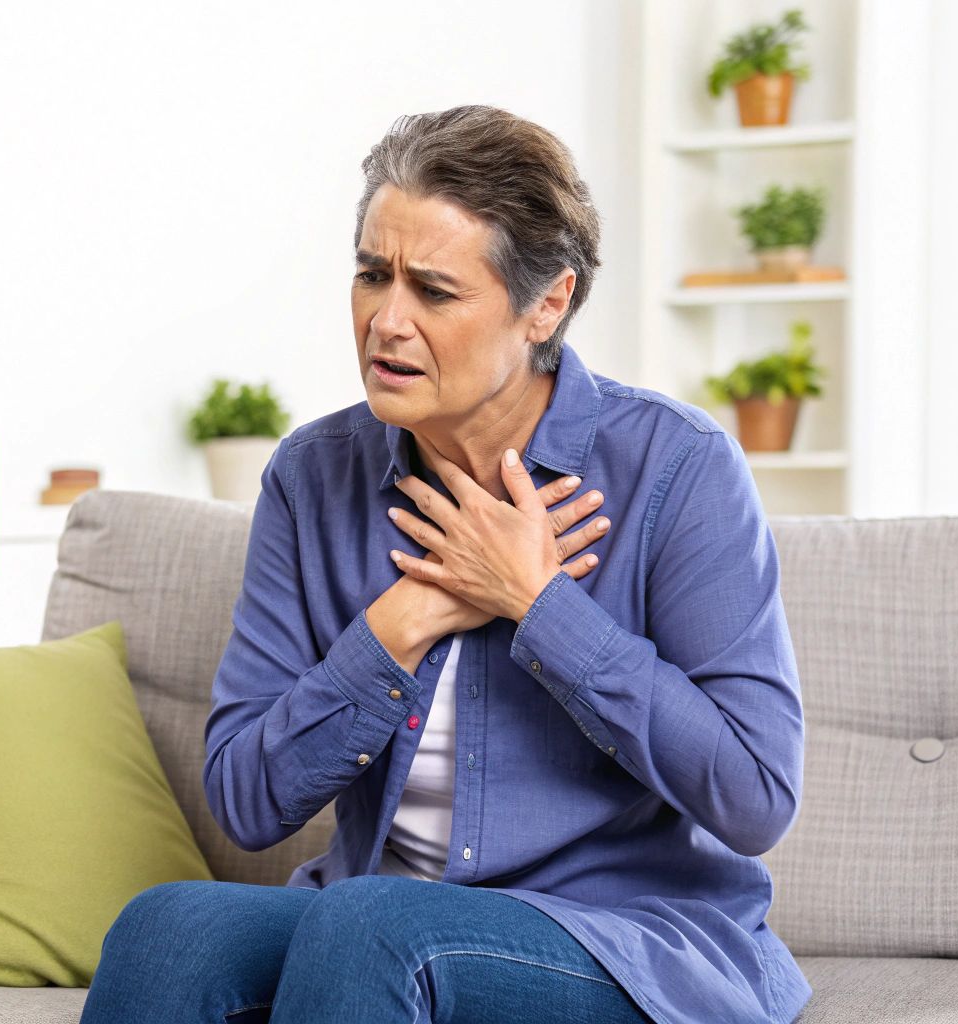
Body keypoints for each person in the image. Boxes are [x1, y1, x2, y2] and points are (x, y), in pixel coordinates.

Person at [78, 105, 810, 1024]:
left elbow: (755, 797)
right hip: (370, 911)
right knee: (167, 927)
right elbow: (245, 798)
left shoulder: (677, 467)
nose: (387, 321)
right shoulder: (313, 476)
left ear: (546, 304)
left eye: (433, 289)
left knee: (371, 925)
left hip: (619, 936)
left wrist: (539, 604)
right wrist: (405, 619)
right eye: (371, 275)